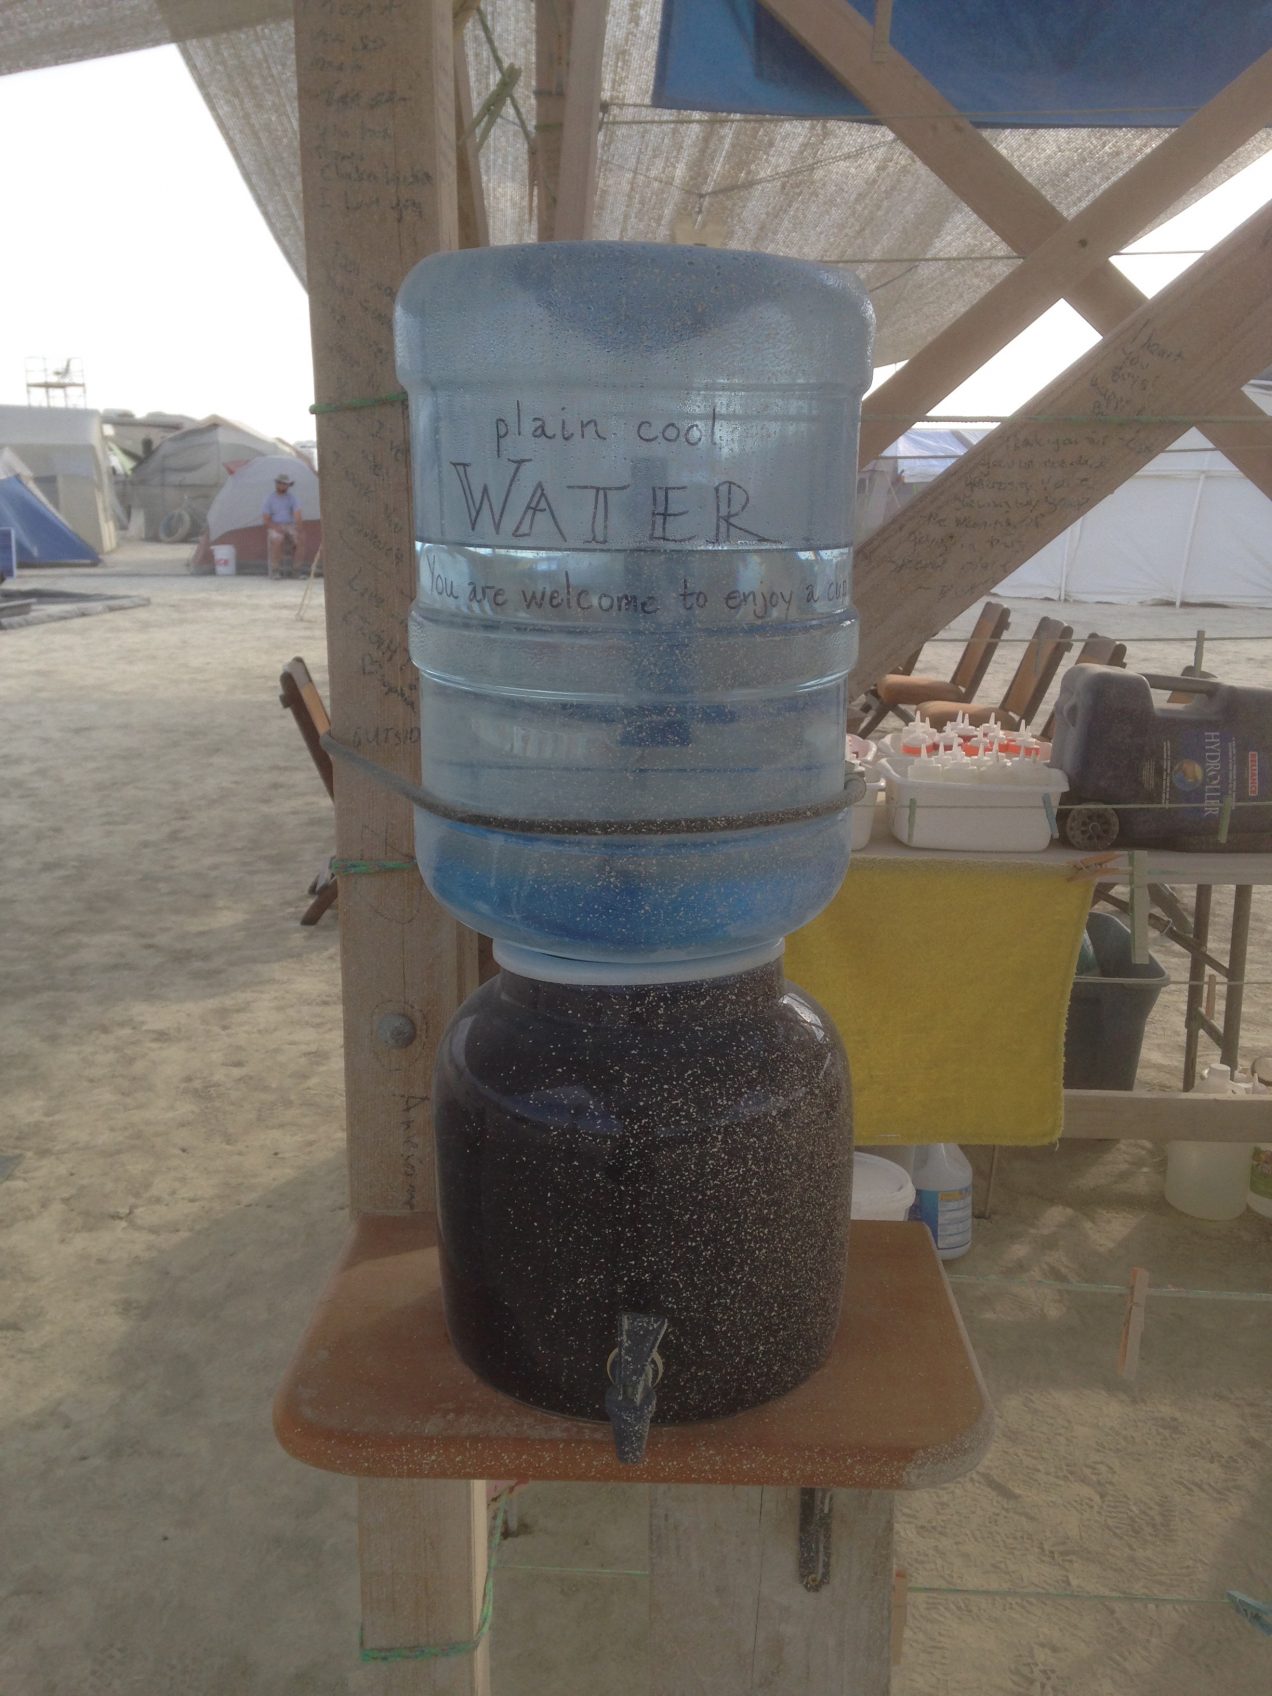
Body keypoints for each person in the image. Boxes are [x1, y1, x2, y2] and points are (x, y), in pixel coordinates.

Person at [263, 472, 303, 578]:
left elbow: (297, 514)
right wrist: (276, 527)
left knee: (300, 540)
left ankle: (296, 571)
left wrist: (299, 529)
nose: (283, 486)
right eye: (280, 483)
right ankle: (276, 570)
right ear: (276, 484)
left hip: (289, 525)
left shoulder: (292, 498)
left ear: (288, 486)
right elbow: (266, 520)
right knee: (278, 539)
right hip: (274, 525)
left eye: (285, 484)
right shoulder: (269, 499)